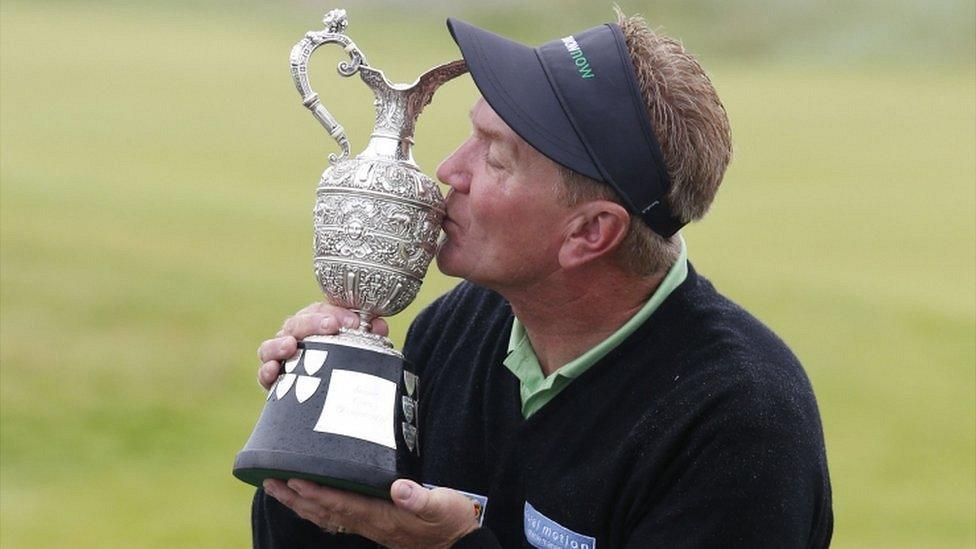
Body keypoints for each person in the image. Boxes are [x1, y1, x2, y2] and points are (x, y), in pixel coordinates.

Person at [251, 9, 833, 548]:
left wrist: (454, 546)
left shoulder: (740, 426)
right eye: (472, 133)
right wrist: (308, 439)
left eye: (496, 156)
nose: (451, 170)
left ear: (590, 233)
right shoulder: (458, 327)